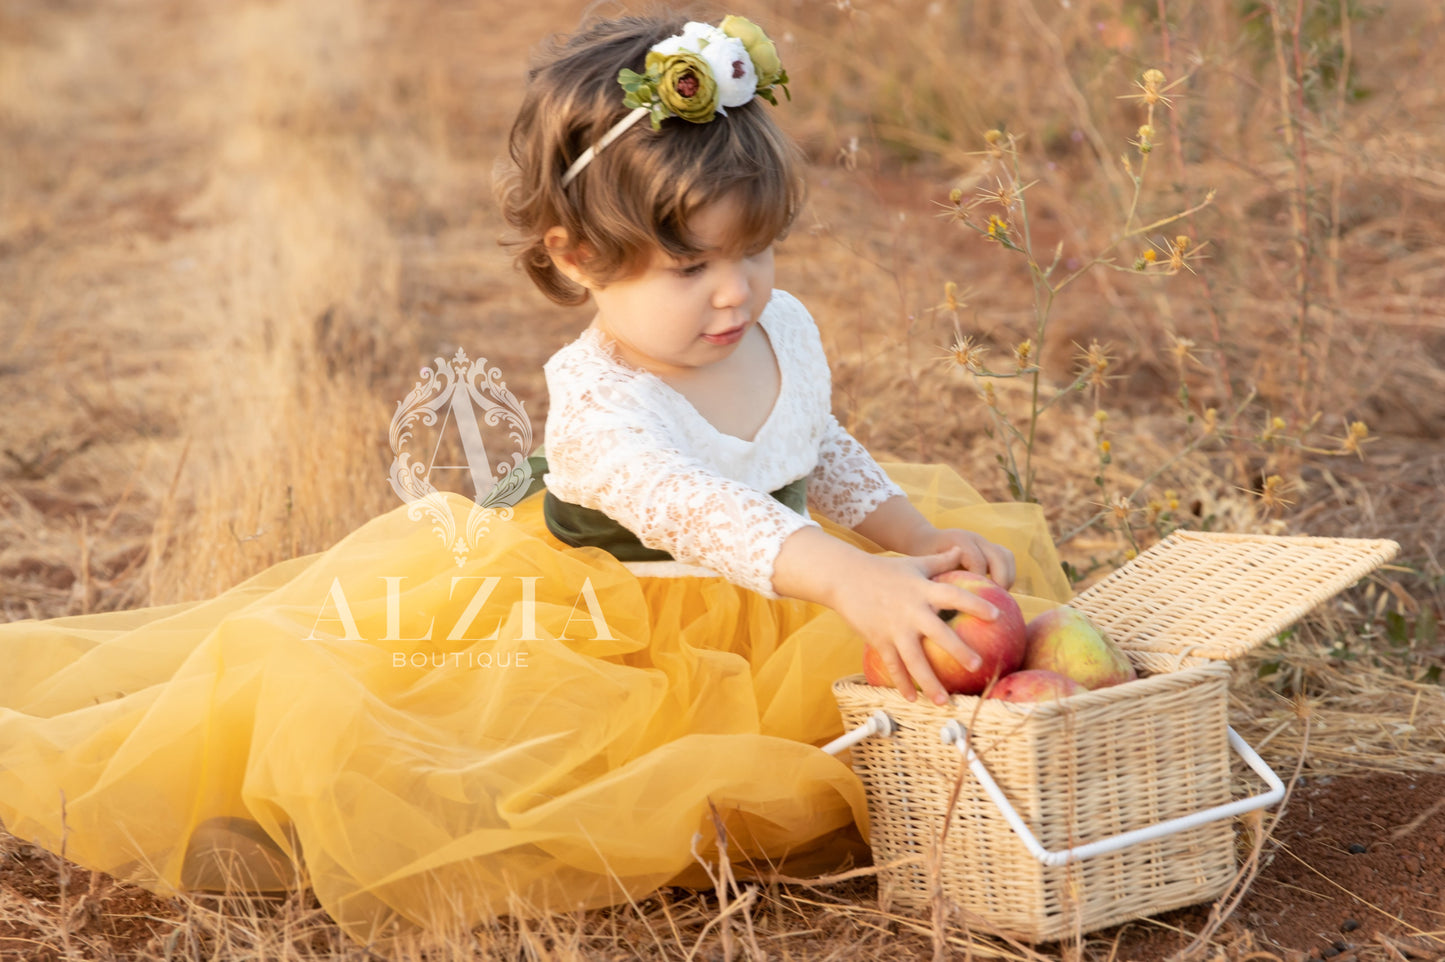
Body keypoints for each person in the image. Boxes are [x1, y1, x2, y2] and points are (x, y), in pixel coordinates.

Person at [0, 11, 1071, 947]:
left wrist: (908, 538)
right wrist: (846, 579)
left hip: (779, 592)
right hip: (604, 622)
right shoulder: (602, 405)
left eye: (756, 250)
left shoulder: (775, 323)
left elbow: (814, 446)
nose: (732, 293)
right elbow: (699, 511)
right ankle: (266, 806)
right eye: (688, 266)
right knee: (474, 762)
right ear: (574, 257)